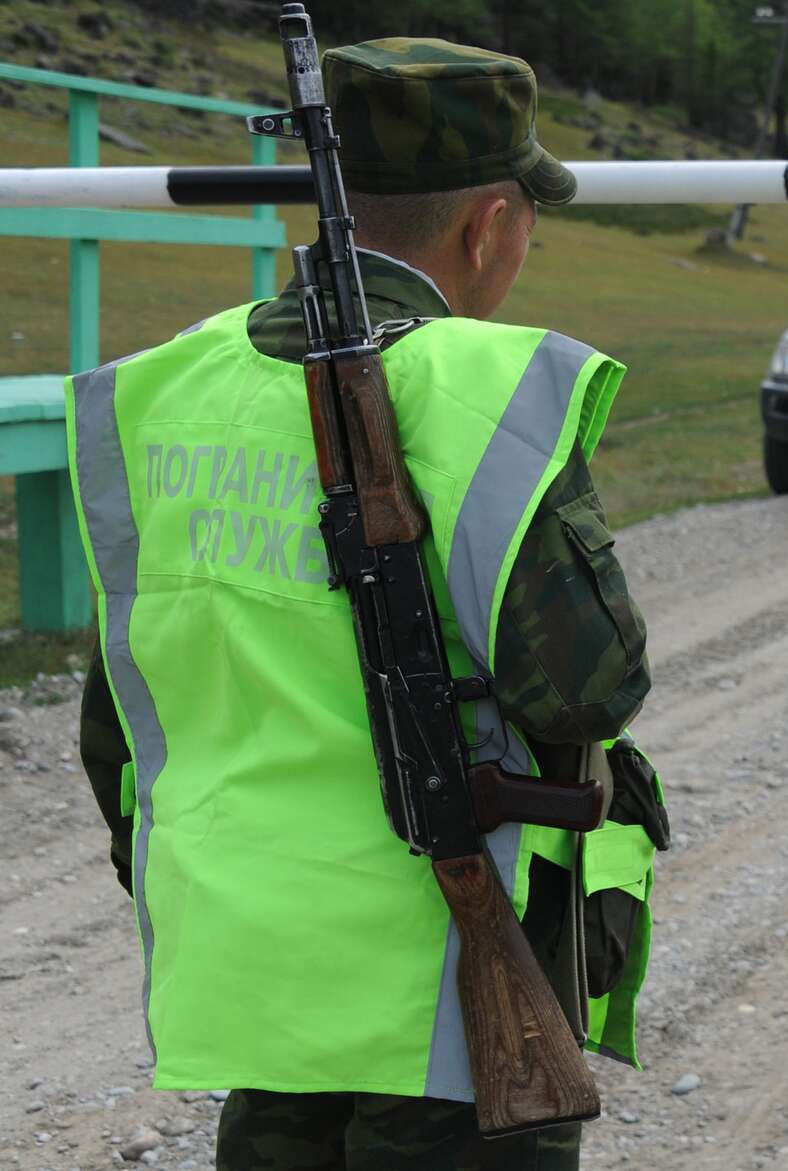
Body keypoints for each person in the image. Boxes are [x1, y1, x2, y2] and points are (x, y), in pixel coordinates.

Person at [68, 39, 660, 1171]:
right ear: (490, 224)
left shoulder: (154, 391)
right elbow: (591, 687)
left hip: (253, 980)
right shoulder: (485, 391)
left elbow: (121, 723)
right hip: (441, 1003)